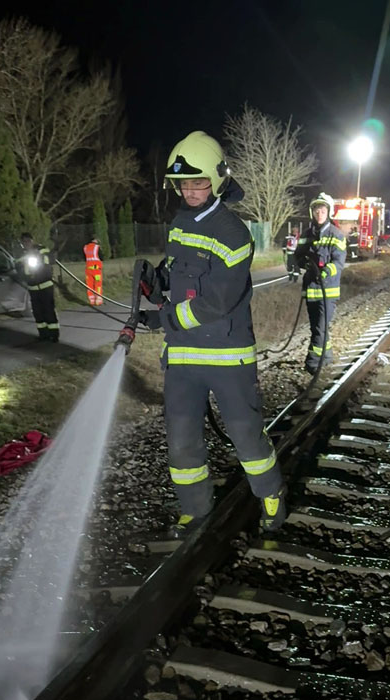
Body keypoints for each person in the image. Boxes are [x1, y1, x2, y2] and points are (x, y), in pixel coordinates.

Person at [131, 131, 286, 538]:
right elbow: (178, 273)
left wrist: (162, 319)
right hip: (183, 358)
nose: (190, 190)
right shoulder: (180, 223)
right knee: (182, 443)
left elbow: (215, 301)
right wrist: (156, 281)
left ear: (217, 180)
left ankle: (271, 495)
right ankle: (194, 510)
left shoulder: (234, 234)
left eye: (198, 181)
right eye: (183, 183)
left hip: (226, 355)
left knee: (245, 435)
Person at [294, 193, 346, 374]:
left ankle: (314, 363)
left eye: (323, 210)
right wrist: (305, 263)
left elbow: (339, 263)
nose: (319, 213)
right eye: (317, 210)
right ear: (312, 213)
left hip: (328, 291)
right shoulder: (307, 235)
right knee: (317, 326)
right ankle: (328, 355)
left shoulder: (337, 235)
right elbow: (297, 256)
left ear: (328, 212)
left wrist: (325, 271)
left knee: (320, 328)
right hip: (310, 291)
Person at [16, 233, 59, 342]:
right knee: (38, 312)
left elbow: (51, 259)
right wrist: (25, 277)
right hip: (33, 288)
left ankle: (53, 335)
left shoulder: (41, 249)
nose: (27, 243)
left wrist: (40, 258)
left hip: (46, 286)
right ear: (22, 243)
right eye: (24, 241)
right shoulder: (22, 255)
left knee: (48, 310)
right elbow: (18, 267)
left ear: (32, 240)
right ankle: (43, 334)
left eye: (28, 241)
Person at [83, 237, 104, 305]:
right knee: (98, 284)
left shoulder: (85, 247)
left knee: (89, 285)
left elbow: (85, 258)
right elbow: (102, 257)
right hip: (96, 269)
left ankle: (91, 300)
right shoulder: (97, 247)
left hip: (88, 270)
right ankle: (98, 300)